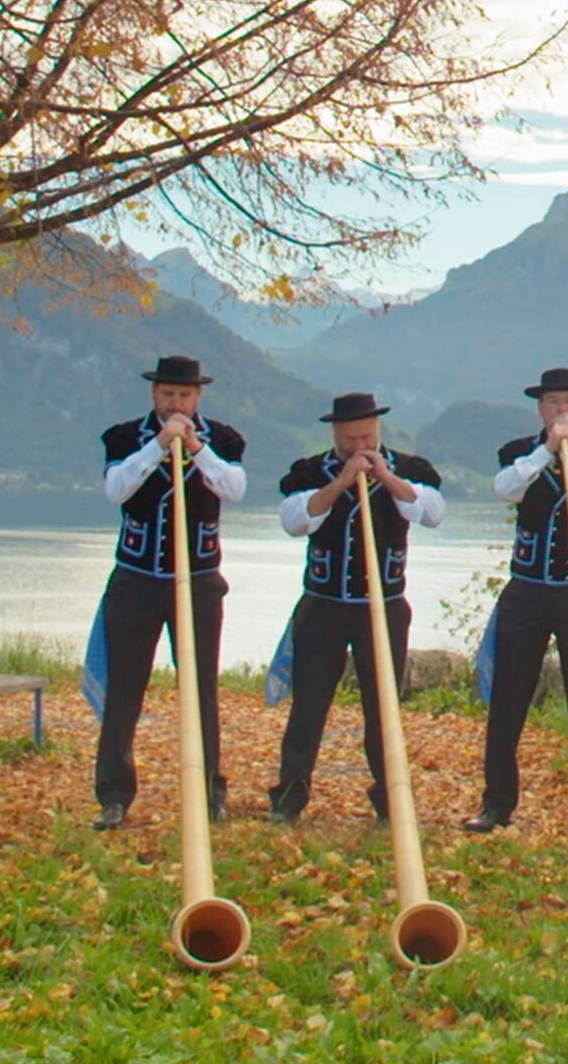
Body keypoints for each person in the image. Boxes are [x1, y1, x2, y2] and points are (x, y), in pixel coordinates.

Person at [463, 366, 568, 837]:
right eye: (553, 402)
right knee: (509, 697)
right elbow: (506, 489)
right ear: (540, 409)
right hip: (528, 591)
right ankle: (497, 802)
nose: (562, 410)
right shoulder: (520, 453)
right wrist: (547, 447)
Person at [266, 392, 445, 824]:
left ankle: (390, 800)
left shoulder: (410, 469)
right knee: (308, 707)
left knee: (382, 707)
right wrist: (342, 481)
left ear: (378, 430)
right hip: (323, 606)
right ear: (336, 436)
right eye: (350, 438)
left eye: (365, 435)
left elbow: (431, 513)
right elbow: (295, 521)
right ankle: (290, 798)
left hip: (383, 607)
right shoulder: (309, 471)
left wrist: (384, 476)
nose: (358, 444)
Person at [92, 354, 247, 831]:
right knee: (125, 690)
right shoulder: (123, 437)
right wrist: (156, 447)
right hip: (136, 580)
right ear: (153, 395)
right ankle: (114, 796)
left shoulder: (223, 439)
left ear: (198, 397)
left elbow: (234, 489)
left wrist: (197, 449)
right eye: (167, 394)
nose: (175, 403)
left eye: (183, 395)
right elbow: (116, 489)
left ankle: (208, 793)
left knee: (200, 689)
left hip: (199, 582)